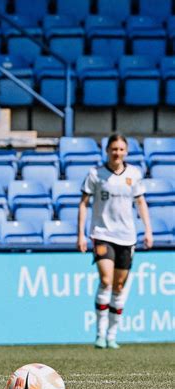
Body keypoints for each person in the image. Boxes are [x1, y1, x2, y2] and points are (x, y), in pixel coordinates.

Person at [77, 133, 153, 350]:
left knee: (119, 286)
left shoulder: (134, 174)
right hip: (102, 234)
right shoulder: (95, 174)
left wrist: (148, 231)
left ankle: (112, 334)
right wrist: (81, 234)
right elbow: (83, 203)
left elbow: (141, 203)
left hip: (127, 236)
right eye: (114, 149)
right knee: (106, 279)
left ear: (126, 151)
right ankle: (100, 334)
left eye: (121, 149)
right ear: (107, 151)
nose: (117, 153)